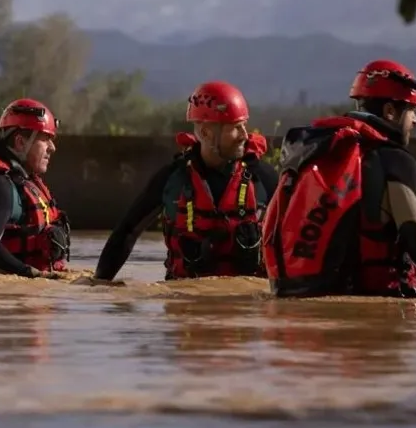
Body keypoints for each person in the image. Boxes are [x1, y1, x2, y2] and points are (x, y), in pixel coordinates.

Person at [262, 59, 416, 300]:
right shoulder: (394, 158)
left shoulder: (313, 152)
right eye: (412, 111)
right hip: (375, 308)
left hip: (300, 305)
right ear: (390, 112)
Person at [94, 81, 279, 282]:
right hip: (184, 304)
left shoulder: (263, 178)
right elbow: (127, 232)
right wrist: (100, 284)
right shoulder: (172, 179)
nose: (245, 135)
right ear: (207, 133)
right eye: (235, 128)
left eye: (244, 125)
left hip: (244, 306)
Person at [0, 98, 72, 279]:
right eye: (45, 139)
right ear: (20, 143)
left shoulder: (24, 182)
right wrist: (31, 274)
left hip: (25, 297)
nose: (52, 147)